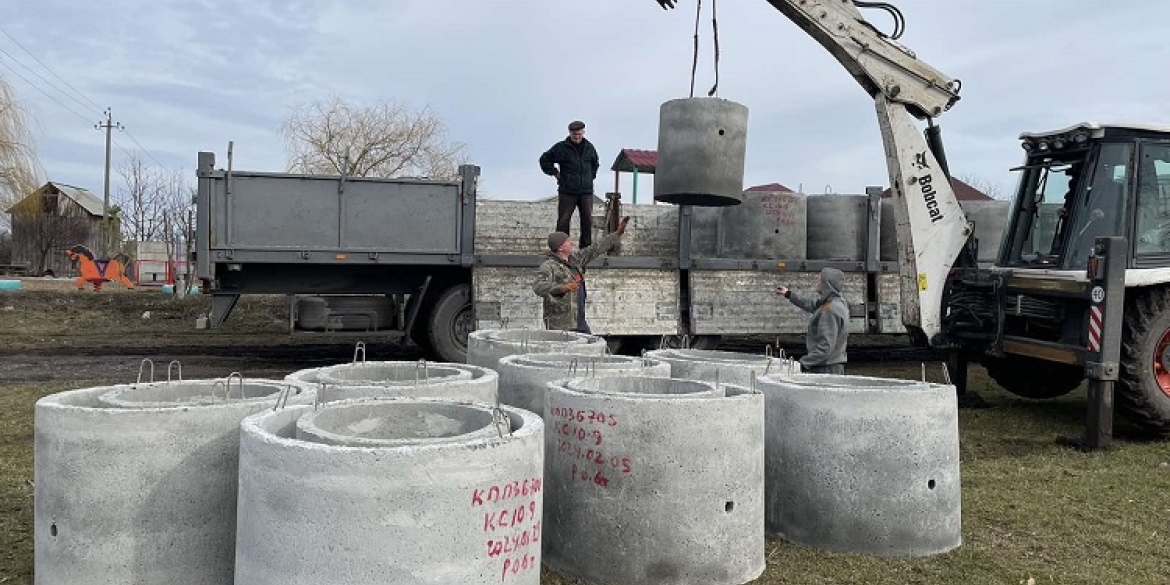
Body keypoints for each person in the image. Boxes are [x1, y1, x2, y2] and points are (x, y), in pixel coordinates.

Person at [532, 216, 630, 333]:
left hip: (578, 321)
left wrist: (617, 234)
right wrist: (562, 288)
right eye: (568, 242)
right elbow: (538, 286)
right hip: (561, 324)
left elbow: (595, 248)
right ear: (560, 247)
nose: (571, 243)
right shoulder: (549, 266)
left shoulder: (575, 260)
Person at [539, 120, 601, 248]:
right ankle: (561, 248)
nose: (577, 137)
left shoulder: (590, 148)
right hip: (567, 191)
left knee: (587, 221)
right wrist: (555, 172)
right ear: (570, 133)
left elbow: (595, 164)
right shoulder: (561, 147)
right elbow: (544, 159)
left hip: (586, 192)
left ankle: (585, 250)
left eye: (579, 134)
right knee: (563, 220)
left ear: (583, 132)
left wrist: (590, 178)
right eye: (574, 134)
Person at [776, 267, 849, 374]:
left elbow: (825, 347)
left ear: (827, 284)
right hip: (831, 365)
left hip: (825, 369)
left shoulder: (830, 310)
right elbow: (812, 305)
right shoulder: (836, 303)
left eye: (820, 279)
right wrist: (789, 294)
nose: (817, 282)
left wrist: (802, 364)